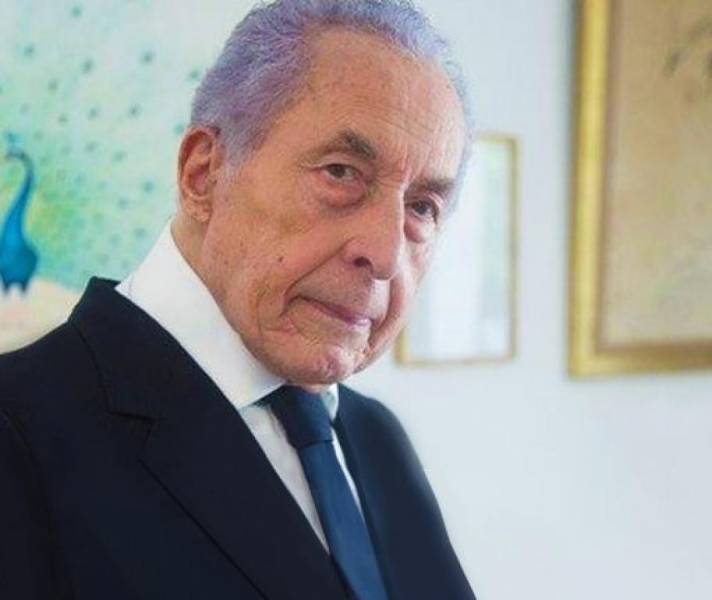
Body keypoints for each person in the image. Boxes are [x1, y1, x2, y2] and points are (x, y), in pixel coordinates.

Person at [0, 1, 475, 599]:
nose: (384, 255)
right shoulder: (17, 434)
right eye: (340, 172)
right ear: (203, 174)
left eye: (422, 207)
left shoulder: (376, 437)